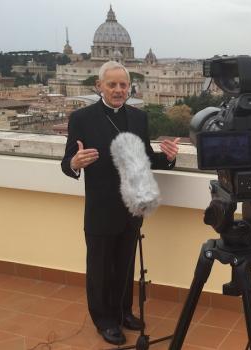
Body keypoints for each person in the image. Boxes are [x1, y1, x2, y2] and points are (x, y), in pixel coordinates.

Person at [61, 61, 180, 345]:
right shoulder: (82, 118)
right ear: (99, 86)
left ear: (129, 87)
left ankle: (124, 312)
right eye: (112, 84)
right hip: (101, 208)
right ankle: (104, 320)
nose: (118, 90)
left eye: (122, 85)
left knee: (125, 265)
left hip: (131, 207)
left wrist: (170, 157)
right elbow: (67, 163)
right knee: (101, 269)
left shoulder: (139, 118)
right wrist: (75, 163)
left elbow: (145, 157)